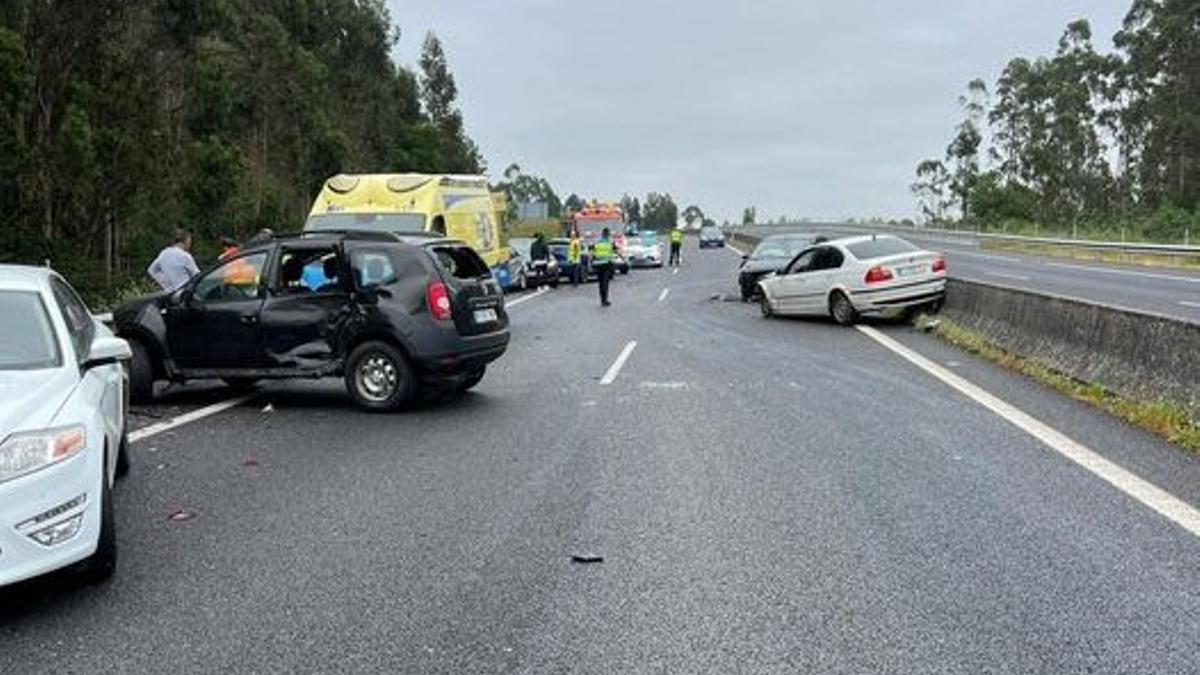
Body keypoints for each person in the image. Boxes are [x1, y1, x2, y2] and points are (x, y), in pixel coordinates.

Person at [593, 227, 615, 306]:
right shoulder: (610, 242)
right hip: (606, 264)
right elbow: (614, 251)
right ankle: (605, 300)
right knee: (605, 282)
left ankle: (602, 299)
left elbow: (592, 251)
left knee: (600, 282)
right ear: (608, 234)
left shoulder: (597, 242)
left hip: (598, 264)